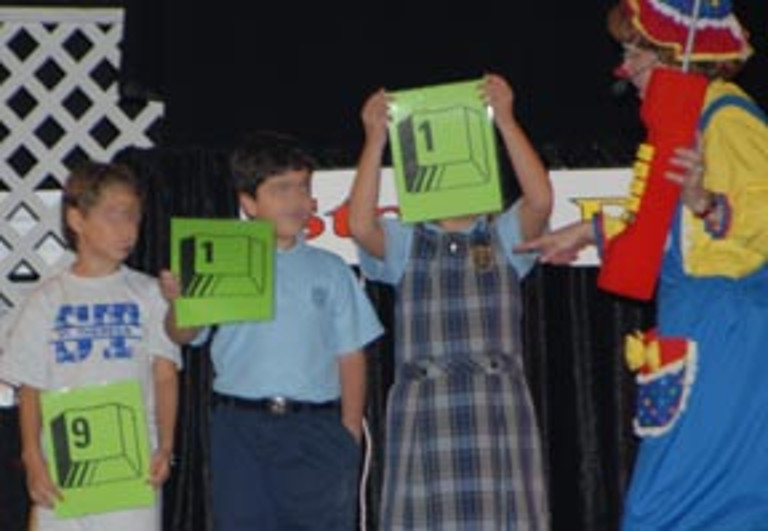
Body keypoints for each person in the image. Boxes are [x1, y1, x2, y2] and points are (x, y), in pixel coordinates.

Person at [517, 1, 768, 529]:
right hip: (697, 321)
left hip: (726, 326)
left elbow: (755, 219)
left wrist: (705, 201)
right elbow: (668, 234)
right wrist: (589, 231)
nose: (624, 68)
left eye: (634, 53)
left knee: (676, 507)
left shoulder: (726, 116)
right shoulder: (682, 121)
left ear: (676, 56)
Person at [349, 73, 553, 529]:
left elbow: (540, 199)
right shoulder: (405, 240)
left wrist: (504, 118)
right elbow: (361, 227)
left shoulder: (503, 234)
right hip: (426, 408)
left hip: (495, 407)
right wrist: (375, 139)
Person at [160, 131, 384, 530]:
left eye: (302, 187)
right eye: (281, 189)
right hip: (240, 426)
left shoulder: (331, 270)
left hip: (315, 426)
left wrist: (349, 432)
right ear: (249, 203)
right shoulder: (221, 259)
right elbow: (184, 335)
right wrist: (179, 302)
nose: (296, 200)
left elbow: (351, 353)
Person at [0, 161, 182, 530]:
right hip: (63, 467)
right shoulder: (47, 300)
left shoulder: (149, 294)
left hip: (133, 466)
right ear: (77, 220)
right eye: (114, 216)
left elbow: (164, 375)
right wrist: (34, 460)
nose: (127, 229)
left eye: (133, 217)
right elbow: (31, 387)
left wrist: (165, 446)